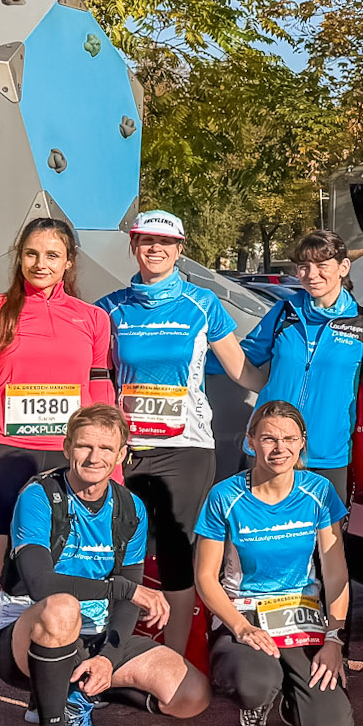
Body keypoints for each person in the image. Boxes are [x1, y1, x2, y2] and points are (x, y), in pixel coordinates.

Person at [0, 216, 116, 726]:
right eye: (31, 254)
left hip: (62, 463)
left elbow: (99, 392)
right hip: (2, 457)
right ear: (18, 257)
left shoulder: (91, 319)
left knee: (51, 581)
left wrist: (111, 454)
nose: (41, 264)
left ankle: (49, 698)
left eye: (52, 255)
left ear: (69, 263)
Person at [0, 405, 210, 726]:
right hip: (28, 638)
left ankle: (77, 696)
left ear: (122, 454)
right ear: (66, 447)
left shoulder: (130, 508)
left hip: (94, 636)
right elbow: (41, 584)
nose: (95, 458)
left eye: (107, 449)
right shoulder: (40, 496)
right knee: (62, 607)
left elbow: (125, 601)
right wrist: (123, 588)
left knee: (192, 696)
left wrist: (108, 658)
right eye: (84, 447)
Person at [98, 209, 253, 663]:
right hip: (124, 451)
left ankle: (179, 659)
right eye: (146, 240)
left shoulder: (203, 304)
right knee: (116, 552)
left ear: (180, 249)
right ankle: (111, 654)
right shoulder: (110, 307)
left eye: (165, 243)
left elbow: (243, 371)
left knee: (176, 554)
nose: (155, 249)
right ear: (133, 245)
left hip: (185, 449)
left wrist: (300, 377)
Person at [193, 402, 354, 726]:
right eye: (268, 438)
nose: (279, 448)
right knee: (255, 683)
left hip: (302, 619)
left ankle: (290, 698)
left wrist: (334, 639)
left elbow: (336, 572)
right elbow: (205, 577)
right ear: (250, 441)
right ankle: (257, 707)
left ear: (301, 443)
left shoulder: (319, 491)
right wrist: (240, 627)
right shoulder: (224, 496)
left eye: (288, 439)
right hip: (245, 617)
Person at [237, 229, 363, 583]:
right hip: (268, 450)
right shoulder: (284, 313)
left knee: (329, 558)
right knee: (262, 549)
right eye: (304, 266)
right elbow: (244, 357)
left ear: (343, 267)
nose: (311, 274)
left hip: (328, 458)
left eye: (322, 265)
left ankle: (334, 635)